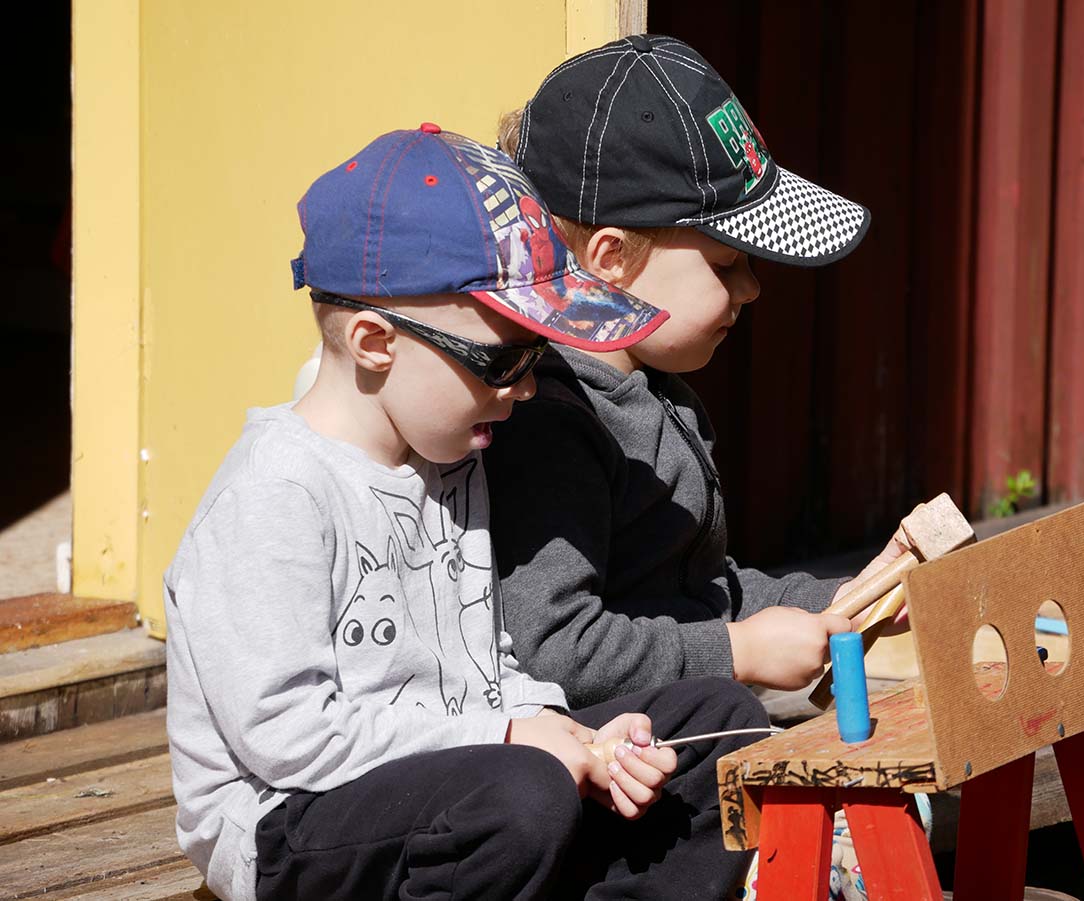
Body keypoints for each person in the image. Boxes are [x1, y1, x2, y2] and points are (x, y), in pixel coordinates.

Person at [164, 125, 771, 901]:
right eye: (505, 359)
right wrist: (517, 737)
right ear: (375, 341)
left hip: (471, 781)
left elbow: (484, 669)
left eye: (538, 357)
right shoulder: (274, 496)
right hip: (295, 824)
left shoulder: (450, 460)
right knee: (522, 797)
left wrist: (576, 735)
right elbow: (289, 739)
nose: (525, 387)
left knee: (720, 722)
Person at [488, 35, 909, 710]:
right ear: (611, 257)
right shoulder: (550, 422)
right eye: (725, 263)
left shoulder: (657, 394)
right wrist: (738, 652)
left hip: (671, 719)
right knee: (738, 712)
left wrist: (841, 600)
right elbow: (555, 650)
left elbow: (700, 594)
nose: (752, 289)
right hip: (608, 764)